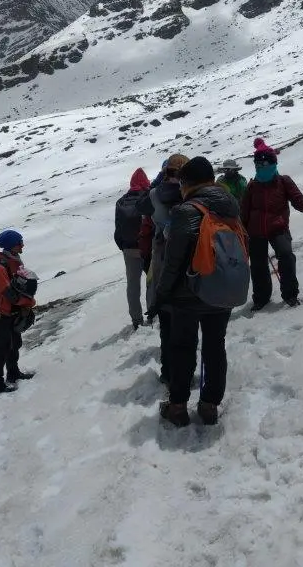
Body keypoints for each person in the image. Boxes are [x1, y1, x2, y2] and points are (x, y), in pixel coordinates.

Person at [148, 156, 239, 427]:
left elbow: (173, 262)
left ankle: (177, 406)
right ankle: (209, 404)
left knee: (183, 348)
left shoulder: (185, 211)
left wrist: (159, 296)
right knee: (215, 347)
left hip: (187, 295)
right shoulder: (230, 206)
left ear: (187, 183)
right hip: (221, 288)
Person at [240, 138, 303, 311]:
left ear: (272, 163)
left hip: (278, 228)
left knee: (286, 256)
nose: (260, 167)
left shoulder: (283, 181)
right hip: (255, 232)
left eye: (263, 164)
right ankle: (261, 298)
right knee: (257, 265)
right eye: (257, 165)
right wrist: (241, 229)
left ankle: (290, 294)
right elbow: (244, 211)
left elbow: (299, 202)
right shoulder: (252, 186)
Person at [137, 154, 189, 384]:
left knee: (167, 321)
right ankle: (186, 373)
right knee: (188, 325)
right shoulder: (191, 194)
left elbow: (141, 206)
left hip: (162, 260)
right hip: (189, 263)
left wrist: (158, 181)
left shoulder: (155, 196)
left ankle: (169, 372)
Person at [0, 230, 37, 393]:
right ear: (11, 245)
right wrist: (26, 301)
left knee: (14, 344)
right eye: (19, 242)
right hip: (2, 312)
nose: (22, 245)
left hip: (13, 311)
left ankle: (13, 373)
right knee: (1, 347)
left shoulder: (14, 260)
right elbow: (6, 291)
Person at [114, 167, 151, 329]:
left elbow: (117, 229)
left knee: (133, 285)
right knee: (152, 282)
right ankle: (153, 314)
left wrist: (123, 246)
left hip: (128, 249)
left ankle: (136, 320)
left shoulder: (121, 201)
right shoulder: (148, 197)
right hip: (146, 247)